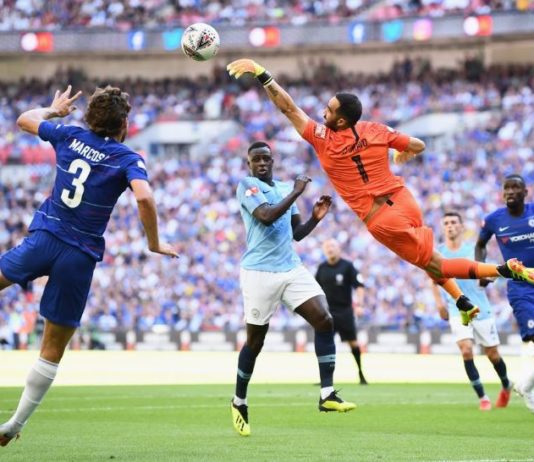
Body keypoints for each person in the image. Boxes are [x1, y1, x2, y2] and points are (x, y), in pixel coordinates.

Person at [226, 59, 534, 328]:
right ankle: (461, 301)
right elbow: (418, 145)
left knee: (437, 264)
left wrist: (262, 73)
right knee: (427, 259)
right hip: (404, 200)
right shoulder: (375, 129)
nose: (323, 112)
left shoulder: (323, 139)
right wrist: (401, 154)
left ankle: (504, 269)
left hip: (382, 219)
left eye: (328, 110)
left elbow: (288, 108)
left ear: (341, 120)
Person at [0, 85, 178, 446]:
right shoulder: (127, 158)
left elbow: (24, 120)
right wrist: (154, 243)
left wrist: (53, 111)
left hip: (45, 239)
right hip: (78, 256)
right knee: (52, 348)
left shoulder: (69, 135)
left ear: (89, 117)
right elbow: (144, 197)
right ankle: (14, 424)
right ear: (124, 124)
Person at [231, 141, 355, 437]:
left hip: (290, 267)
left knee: (324, 319)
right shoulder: (247, 185)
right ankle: (239, 401)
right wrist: (297, 192)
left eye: (266, 158)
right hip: (259, 272)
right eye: (256, 159)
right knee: (255, 342)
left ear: (273, 161)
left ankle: (327, 394)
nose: (262, 163)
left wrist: (314, 218)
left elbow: (296, 234)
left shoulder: (286, 187)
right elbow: (265, 216)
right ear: (249, 165)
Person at [432, 212, 512, 411]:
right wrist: (439, 304)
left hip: (481, 308)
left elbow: (490, 273)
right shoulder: (438, 252)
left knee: (492, 354)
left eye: (453, 222)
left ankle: (506, 385)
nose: (450, 226)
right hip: (456, 308)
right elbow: (433, 279)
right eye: (446, 223)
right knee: (466, 350)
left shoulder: (473, 250)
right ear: (442, 227)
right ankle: (483, 397)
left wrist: (487, 279)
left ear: (461, 227)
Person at [475, 174, 534, 413]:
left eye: (515, 187)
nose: (510, 191)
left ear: (525, 192)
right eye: (506, 188)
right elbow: (480, 245)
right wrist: (481, 269)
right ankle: (528, 388)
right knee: (531, 336)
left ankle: (525, 384)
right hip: (520, 286)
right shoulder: (493, 220)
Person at [316, 238, 368, 385]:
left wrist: (359, 304)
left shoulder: (347, 266)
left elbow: (359, 286)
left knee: (353, 343)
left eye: (332, 246)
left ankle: (361, 374)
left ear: (338, 248)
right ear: (324, 251)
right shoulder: (321, 268)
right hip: (326, 313)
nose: (330, 249)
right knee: (325, 344)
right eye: (327, 246)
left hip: (345, 312)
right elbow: (315, 289)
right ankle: (325, 379)